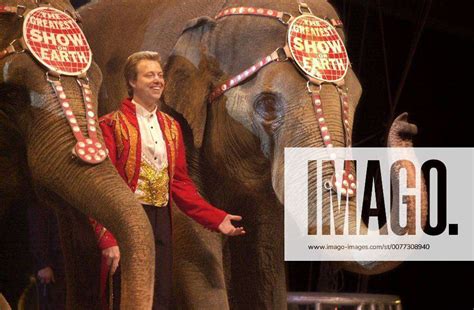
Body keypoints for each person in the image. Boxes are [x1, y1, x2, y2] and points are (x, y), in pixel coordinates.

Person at [91, 51, 245, 310]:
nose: (157, 80)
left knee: (160, 295)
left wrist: (216, 218)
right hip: (126, 219)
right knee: (126, 295)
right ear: (132, 81)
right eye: (149, 75)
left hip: (160, 219)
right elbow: (101, 189)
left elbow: (180, 185)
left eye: (160, 75)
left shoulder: (171, 127)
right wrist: (108, 239)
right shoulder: (110, 125)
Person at [27, 204, 66, 310]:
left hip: (62, 265)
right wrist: (43, 264)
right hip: (51, 266)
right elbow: (37, 234)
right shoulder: (41, 204)